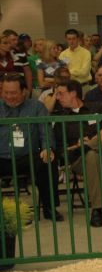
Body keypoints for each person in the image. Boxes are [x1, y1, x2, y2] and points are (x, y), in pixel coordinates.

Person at [53, 79, 102, 227]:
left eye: (61, 94)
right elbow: (61, 152)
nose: (57, 98)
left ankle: (89, 146)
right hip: (80, 159)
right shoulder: (61, 120)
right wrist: (76, 146)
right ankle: (97, 209)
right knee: (90, 155)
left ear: (73, 93)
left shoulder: (98, 107)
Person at [0, 73, 62, 221]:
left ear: (24, 92)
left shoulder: (36, 107)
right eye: (5, 92)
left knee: (48, 161)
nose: (9, 96)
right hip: (2, 158)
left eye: (13, 93)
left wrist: (47, 148)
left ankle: (49, 207)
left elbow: (45, 130)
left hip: (28, 157)